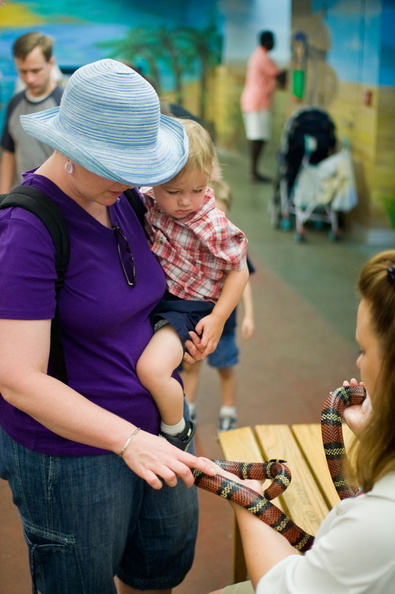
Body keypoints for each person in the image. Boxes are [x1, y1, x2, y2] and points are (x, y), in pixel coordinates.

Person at [0, 59, 217, 594]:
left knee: (159, 567)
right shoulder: (27, 227)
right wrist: (126, 441)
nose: (133, 179)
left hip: (157, 430)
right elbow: (16, 376)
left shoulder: (117, 200)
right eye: (116, 164)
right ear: (72, 151)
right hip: (75, 457)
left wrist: (181, 335)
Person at [208, 249, 395, 594]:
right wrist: (377, 435)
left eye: (363, 351)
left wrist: (247, 498)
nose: (358, 364)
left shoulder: (380, 522)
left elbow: (282, 588)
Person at [136, 119, 249, 450]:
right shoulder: (146, 200)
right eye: (174, 192)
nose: (186, 201)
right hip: (160, 294)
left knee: (153, 368)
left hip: (189, 306)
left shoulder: (212, 223)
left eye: (197, 190)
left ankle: (176, 430)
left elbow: (239, 270)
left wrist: (217, 318)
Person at [181, 178, 255, 433]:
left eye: (221, 211)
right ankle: (186, 409)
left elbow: (243, 280)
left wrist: (249, 316)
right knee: (191, 365)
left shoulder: (232, 242)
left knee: (225, 366)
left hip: (225, 322)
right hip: (197, 318)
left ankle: (228, 411)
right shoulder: (196, 236)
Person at [0, 31, 64, 193]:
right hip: (20, 201)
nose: (29, 79)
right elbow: (9, 153)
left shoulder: (64, 103)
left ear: (51, 63)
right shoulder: (15, 103)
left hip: (55, 201)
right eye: (23, 71)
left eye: (35, 71)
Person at [240, 30, 281, 183]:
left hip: (255, 101)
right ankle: (254, 172)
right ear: (267, 41)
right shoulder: (263, 58)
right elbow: (279, 76)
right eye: (272, 40)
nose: (274, 43)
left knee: (259, 137)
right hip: (257, 102)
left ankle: (254, 171)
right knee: (257, 137)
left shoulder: (257, 55)